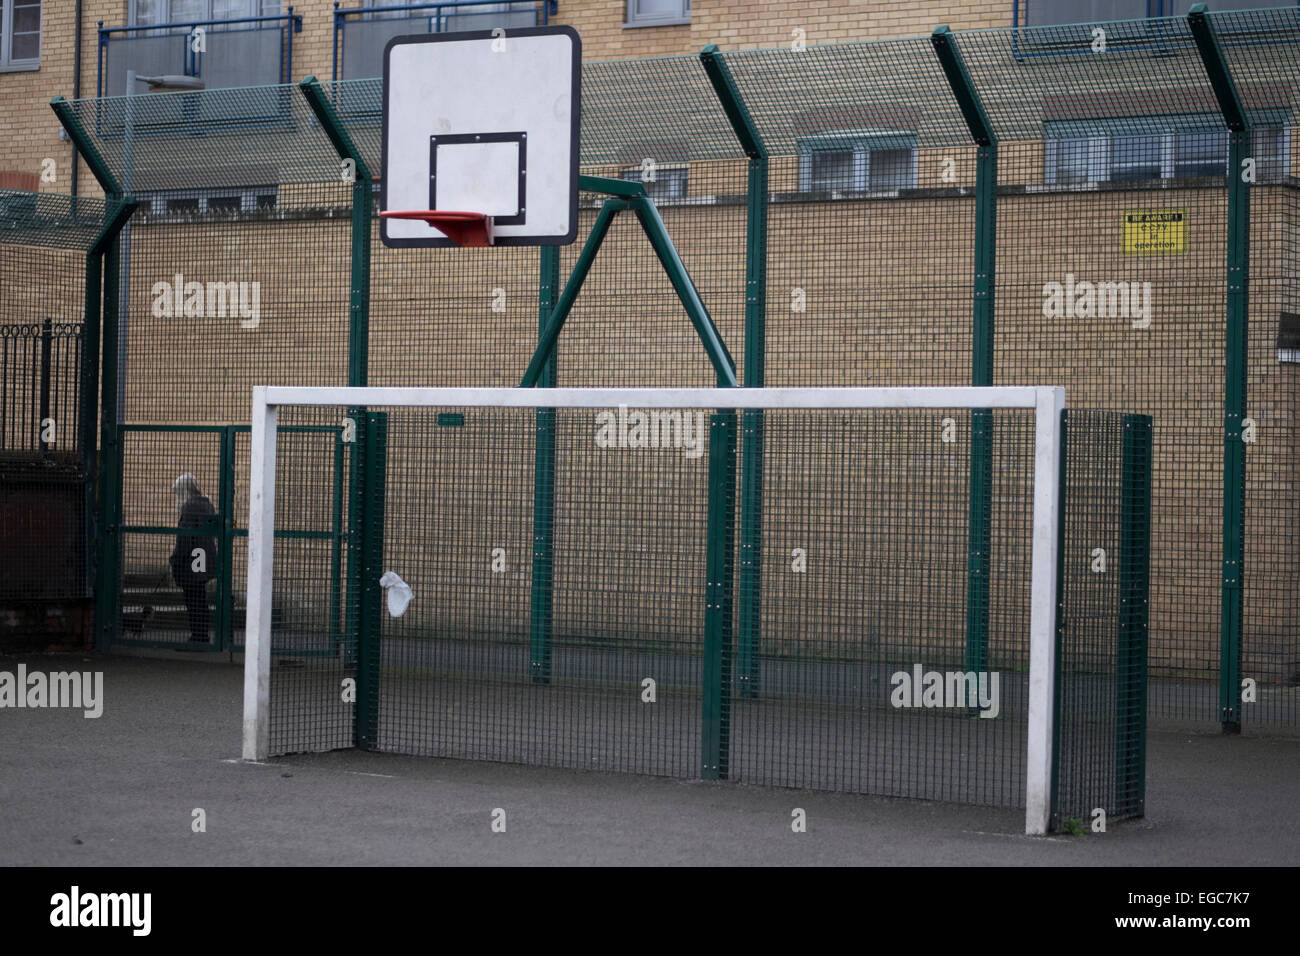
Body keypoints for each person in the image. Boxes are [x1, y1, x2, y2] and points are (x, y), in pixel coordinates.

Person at [170, 473, 217, 644]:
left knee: (192, 598)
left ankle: (198, 636)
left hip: (192, 558)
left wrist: (175, 559)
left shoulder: (189, 507)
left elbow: (185, 538)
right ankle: (201, 634)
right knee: (200, 597)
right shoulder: (207, 504)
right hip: (203, 555)